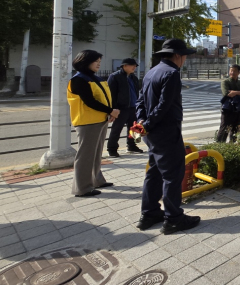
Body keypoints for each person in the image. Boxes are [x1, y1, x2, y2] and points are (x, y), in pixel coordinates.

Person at [134, 38, 200, 234]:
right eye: (185, 55)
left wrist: (142, 123)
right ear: (178, 55)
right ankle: (173, 218)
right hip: (166, 131)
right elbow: (164, 105)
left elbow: (140, 101)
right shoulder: (172, 73)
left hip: (151, 133)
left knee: (154, 172)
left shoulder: (151, 72)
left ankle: (149, 213)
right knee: (172, 175)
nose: (185, 59)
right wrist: (149, 123)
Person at [67, 50, 118, 197]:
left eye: (99, 61)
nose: (99, 63)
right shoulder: (78, 80)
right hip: (87, 121)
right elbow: (89, 101)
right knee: (85, 155)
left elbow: (103, 97)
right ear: (85, 61)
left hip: (100, 119)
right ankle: (82, 188)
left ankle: (97, 180)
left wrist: (110, 112)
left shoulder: (95, 78)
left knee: (96, 154)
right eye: (96, 61)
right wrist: (110, 110)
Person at [106, 58, 142, 157]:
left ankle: (132, 145)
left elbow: (136, 92)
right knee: (117, 129)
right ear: (124, 66)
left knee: (134, 128)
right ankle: (112, 149)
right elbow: (111, 94)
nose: (134, 67)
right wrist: (113, 109)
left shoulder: (133, 77)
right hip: (120, 108)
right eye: (132, 65)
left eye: (135, 66)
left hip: (133, 107)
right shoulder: (115, 77)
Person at [217, 64, 240, 142]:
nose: (232, 72)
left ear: (238, 72)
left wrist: (234, 92)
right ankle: (220, 145)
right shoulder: (225, 82)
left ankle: (232, 145)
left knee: (236, 128)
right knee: (224, 128)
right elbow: (226, 93)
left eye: (234, 71)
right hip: (227, 108)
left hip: (238, 109)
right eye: (231, 70)